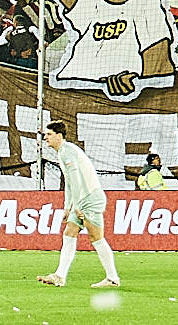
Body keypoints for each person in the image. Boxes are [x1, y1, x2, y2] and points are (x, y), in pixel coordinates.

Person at [36, 119, 119, 289]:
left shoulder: (68, 152)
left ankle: (112, 278)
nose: (46, 138)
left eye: (49, 134)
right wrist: (68, 206)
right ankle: (60, 276)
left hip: (90, 198)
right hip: (82, 199)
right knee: (69, 232)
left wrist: (78, 205)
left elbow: (76, 180)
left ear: (59, 136)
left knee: (96, 238)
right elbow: (69, 182)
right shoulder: (63, 152)